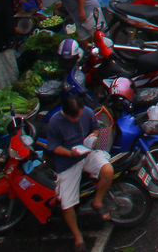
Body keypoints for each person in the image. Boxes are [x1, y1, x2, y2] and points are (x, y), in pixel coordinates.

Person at [47, 92, 115, 252]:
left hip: (87, 153)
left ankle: (97, 201)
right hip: (68, 162)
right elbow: (53, 147)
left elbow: (96, 129)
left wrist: (93, 136)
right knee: (67, 204)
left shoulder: (87, 112)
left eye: (79, 116)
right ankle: (78, 237)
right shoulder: (55, 122)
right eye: (74, 118)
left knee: (108, 170)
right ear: (65, 113)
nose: (78, 120)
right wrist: (70, 153)